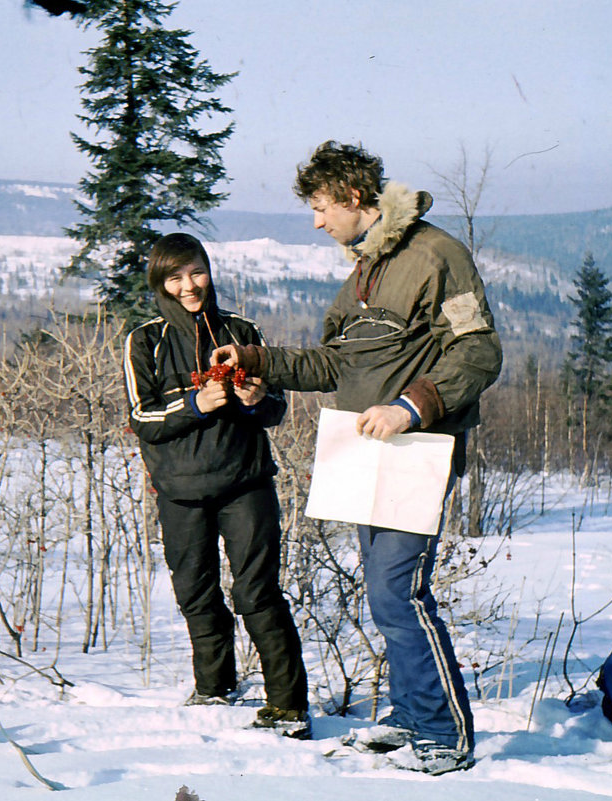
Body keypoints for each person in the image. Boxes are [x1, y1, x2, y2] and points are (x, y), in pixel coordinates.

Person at [211, 141, 502, 773]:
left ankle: (445, 736)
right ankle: (407, 716)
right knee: (383, 593)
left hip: (418, 449)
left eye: (321, 207)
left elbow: (479, 354)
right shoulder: (363, 273)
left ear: (351, 196)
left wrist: (412, 405)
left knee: (400, 594)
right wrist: (257, 360)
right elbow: (333, 364)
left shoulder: (435, 255)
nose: (317, 222)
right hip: (368, 456)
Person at [123, 232, 310, 738]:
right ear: (160, 283)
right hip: (180, 491)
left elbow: (275, 410)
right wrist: (193, 405)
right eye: (175, 277)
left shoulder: (241, 330)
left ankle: (289, 708)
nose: (190, 286)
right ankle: (214, 690)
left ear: (210, 271)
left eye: (197, 272)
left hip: (245, 484)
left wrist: (253, 398)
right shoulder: (145, 340)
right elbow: (142, 416)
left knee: (257, 593)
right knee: (196, 594)